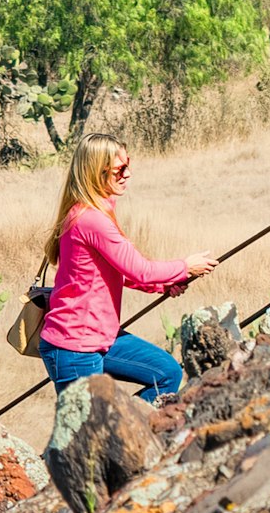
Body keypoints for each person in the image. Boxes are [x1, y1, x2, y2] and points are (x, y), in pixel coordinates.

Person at [32, 138, 210, 399]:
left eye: (128, 165)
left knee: (167, 373)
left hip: (99, 337)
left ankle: (133, 429)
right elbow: (141, 270)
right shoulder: (92, 219)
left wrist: (161, 285)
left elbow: (119, 272)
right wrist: (185, 267)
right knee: (94, 432)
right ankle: (125, 432)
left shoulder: (94, 213)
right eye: (119, 169)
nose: (128, 174)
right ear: (96, 171)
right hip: (75, 347)